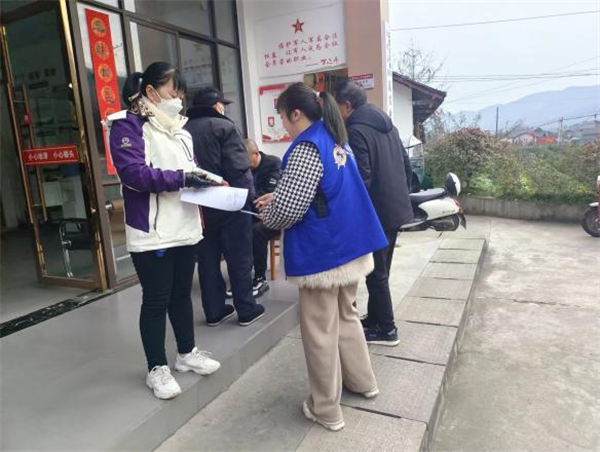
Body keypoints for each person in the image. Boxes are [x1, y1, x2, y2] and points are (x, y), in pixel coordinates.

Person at [255, 82, 388, 432]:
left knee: (319, 331)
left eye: (282, 118)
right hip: (351, 244)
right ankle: (363, 382)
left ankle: (326, 408)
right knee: (347, 316)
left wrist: (266, 216)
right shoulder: (335, 138)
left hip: (323, 253)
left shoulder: (305, 147)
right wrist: (280, 197)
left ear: (296, 113)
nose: (283, 126)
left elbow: (290, 209)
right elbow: (323, 191)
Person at [108, 62, 221, 400]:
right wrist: (183, 178)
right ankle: (156, 368)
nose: (179, 100)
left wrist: (208, 181)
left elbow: (190, 169)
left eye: (181, 95)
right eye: (174, 92)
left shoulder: (181, 131)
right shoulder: (127, 125)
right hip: (153, 232)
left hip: (185, 226)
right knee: (157, 299)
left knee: (181, 294)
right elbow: (133, 174)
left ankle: (186, 353)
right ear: (151, 91)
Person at [334, 81, 413, 347]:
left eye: (337, 107)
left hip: (376, 213)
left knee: (376, 273)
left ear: (347, 106)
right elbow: (406, 165)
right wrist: (402, 197)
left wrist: (352, 215)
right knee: (381, 270)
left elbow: (362, 179)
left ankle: (387, 329)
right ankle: (377, 318)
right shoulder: (388, 125)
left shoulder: (356, 130)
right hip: (395, 208)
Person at [185, 86, 265, 327]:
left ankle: (214, 311)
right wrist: (250, 201)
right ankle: (246, 309)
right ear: (216, 105)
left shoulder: (182, 130)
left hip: (198, 205)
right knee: (239, 257)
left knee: (207, 259)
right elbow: (239, 169)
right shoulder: (224, 126)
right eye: (222, 104)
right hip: (230, 202)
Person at [230, 139, 281, 297]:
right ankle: (241, 280)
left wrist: (248, 197)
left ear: (256, 154)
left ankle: (260, 278)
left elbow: (267, 196)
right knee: (234, 228)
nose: (243, 163)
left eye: (246, 159)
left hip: (275, 215)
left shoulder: (273, 164)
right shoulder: (242, 168)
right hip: (252, 212)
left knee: (256, 231)